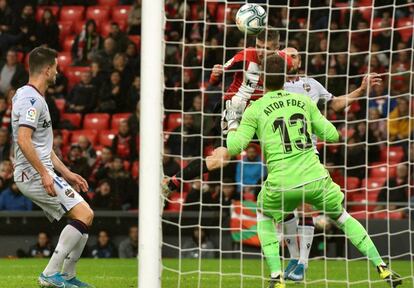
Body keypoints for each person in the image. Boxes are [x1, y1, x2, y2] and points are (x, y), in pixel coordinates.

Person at [224, 53, 402, 288]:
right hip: (315, 177)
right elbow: (332, 135)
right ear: (285, 76)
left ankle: (277, 277)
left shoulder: (256, 108)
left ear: (263, 78)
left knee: (264, 214)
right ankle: (382, 267)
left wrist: (232, 123)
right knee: (341, 217)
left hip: (281, 181)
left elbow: (235, 147)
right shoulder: (305, 102)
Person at [12, 47, 94, 287]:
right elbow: (23, 140)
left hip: (37, 170)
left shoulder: (31, 96)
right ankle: (50, 274)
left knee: (84, 215)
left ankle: (67, 276)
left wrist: (66, 173)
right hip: (32, 174)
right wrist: (44, 173)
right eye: (56, 67)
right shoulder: (30, 100)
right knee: (85, 213)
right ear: (47, 69)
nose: (57, 72)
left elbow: (42, 146)